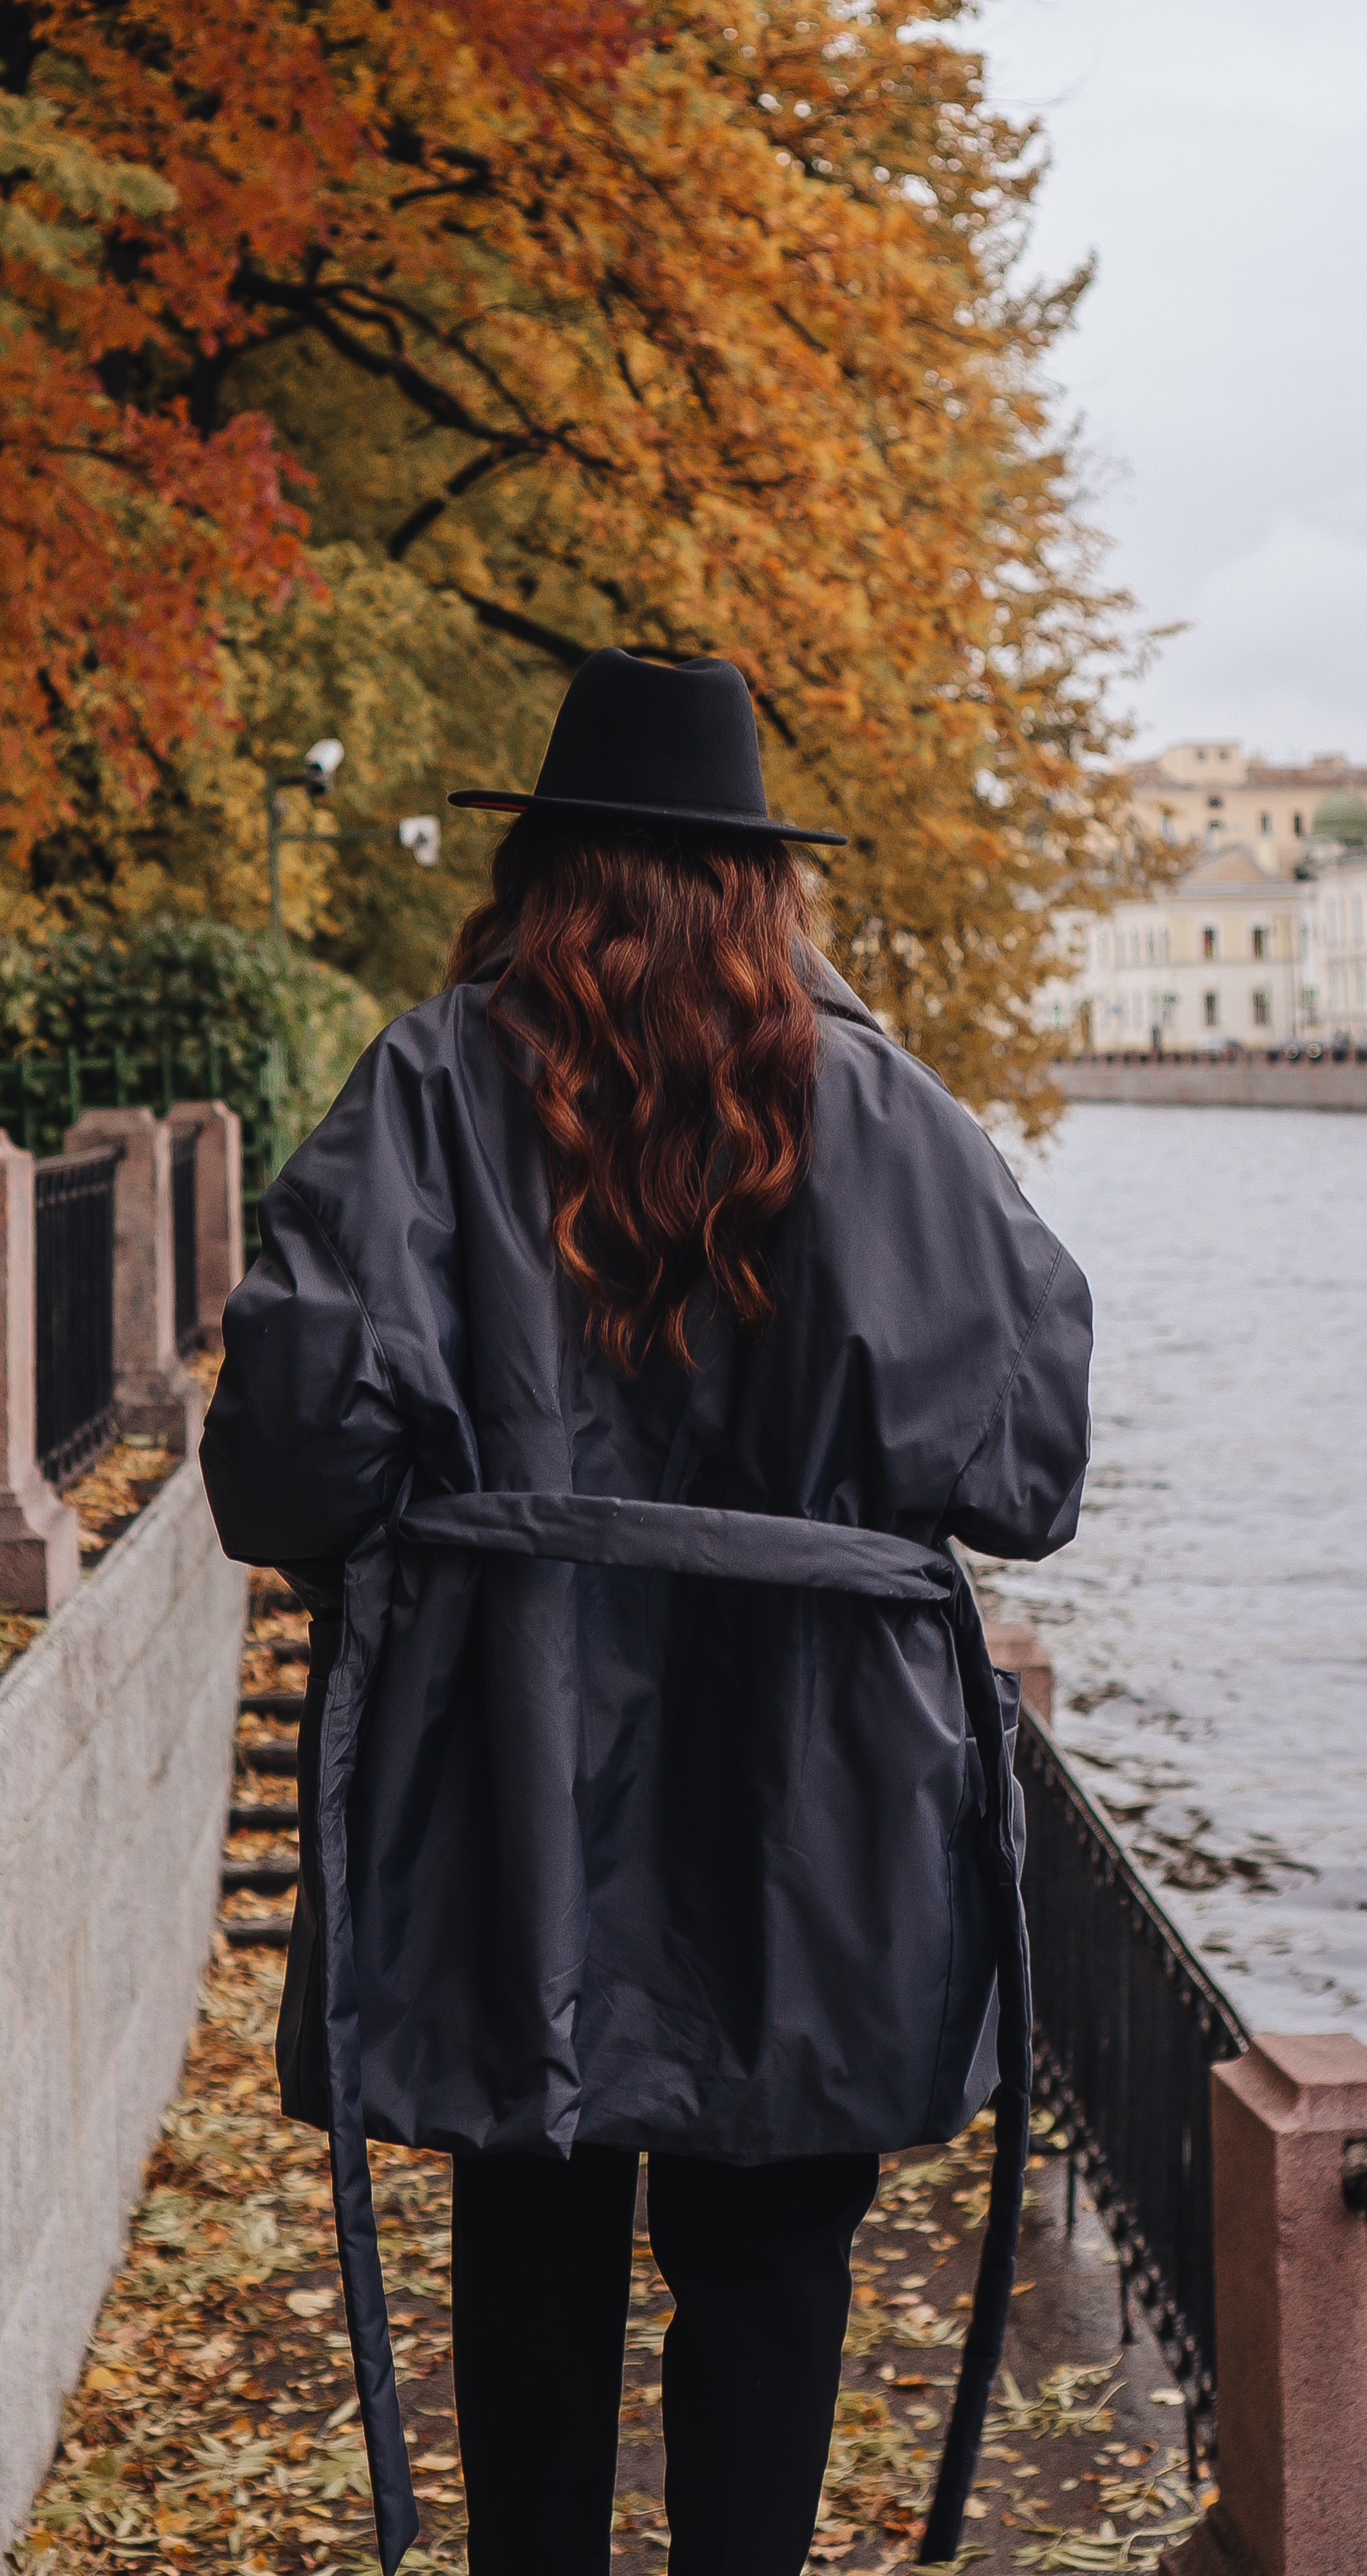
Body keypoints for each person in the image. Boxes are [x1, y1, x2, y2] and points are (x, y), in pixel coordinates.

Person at [201, 648, 1093, 2576]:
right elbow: (1029, 1471)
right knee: (770, 2266)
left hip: (524, 1797)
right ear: (766, 881)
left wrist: (454, 1523)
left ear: (544, 871)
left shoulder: (429, 1090)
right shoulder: (885, 1111)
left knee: (532, 2247)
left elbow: (283, 1464)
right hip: (813, 1806)